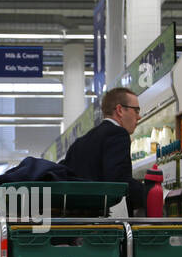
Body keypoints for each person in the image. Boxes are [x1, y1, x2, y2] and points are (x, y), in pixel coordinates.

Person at [63, 86, 148, 214]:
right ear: (120, 110)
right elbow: (119, 181)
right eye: (136, 111)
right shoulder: (118, 134)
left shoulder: (79, 143)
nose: (139, 117)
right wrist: (152, 194)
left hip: (78, 223)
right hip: (105, 223)